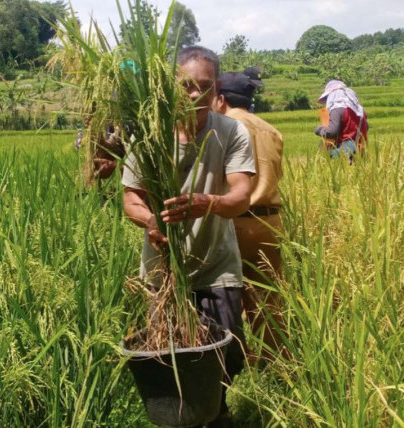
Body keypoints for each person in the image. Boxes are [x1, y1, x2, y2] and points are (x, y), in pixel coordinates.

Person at [121, 46, 256, 427]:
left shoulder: (230, 131)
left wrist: (206, 203)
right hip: (164, 271)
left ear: (217, 92)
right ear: (169, 88)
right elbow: (131, 200)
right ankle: (183, 416)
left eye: (204, 86)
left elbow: (240, 196)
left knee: (225, 353)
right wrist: (150, 222)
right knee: (170, 355)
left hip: (216, 264)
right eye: (185, 86)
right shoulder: (151, 135)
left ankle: (218, 412)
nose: (194, 94)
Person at [212, 71, 285, 358]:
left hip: (234, 223)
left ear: (220, 99)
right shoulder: (271, 130)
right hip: (270, 222)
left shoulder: (222, 127)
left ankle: (231, 362)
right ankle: (274, 364)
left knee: (225, 296)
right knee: (268, 301)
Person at [314, 80, 368, 160]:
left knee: (322, 150)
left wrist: (319, 129)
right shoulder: (360, 110)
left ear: (333, 96)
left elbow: (331, 132)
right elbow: (366, 127)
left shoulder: (337, 109)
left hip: (345, 153)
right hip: (360, 151)